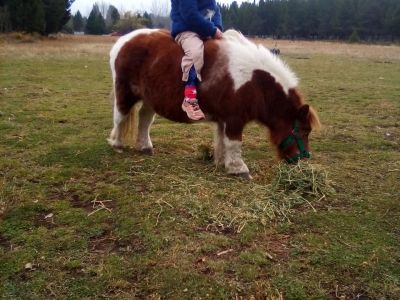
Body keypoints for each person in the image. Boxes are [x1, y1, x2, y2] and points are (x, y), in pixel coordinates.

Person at [170, 0, 223, 120]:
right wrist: (212, 30)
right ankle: (189, 98)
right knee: (195, 53)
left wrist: (217, 27)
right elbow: (189, 14)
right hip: (186, 30)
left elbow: (215, 11)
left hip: (205, 30)